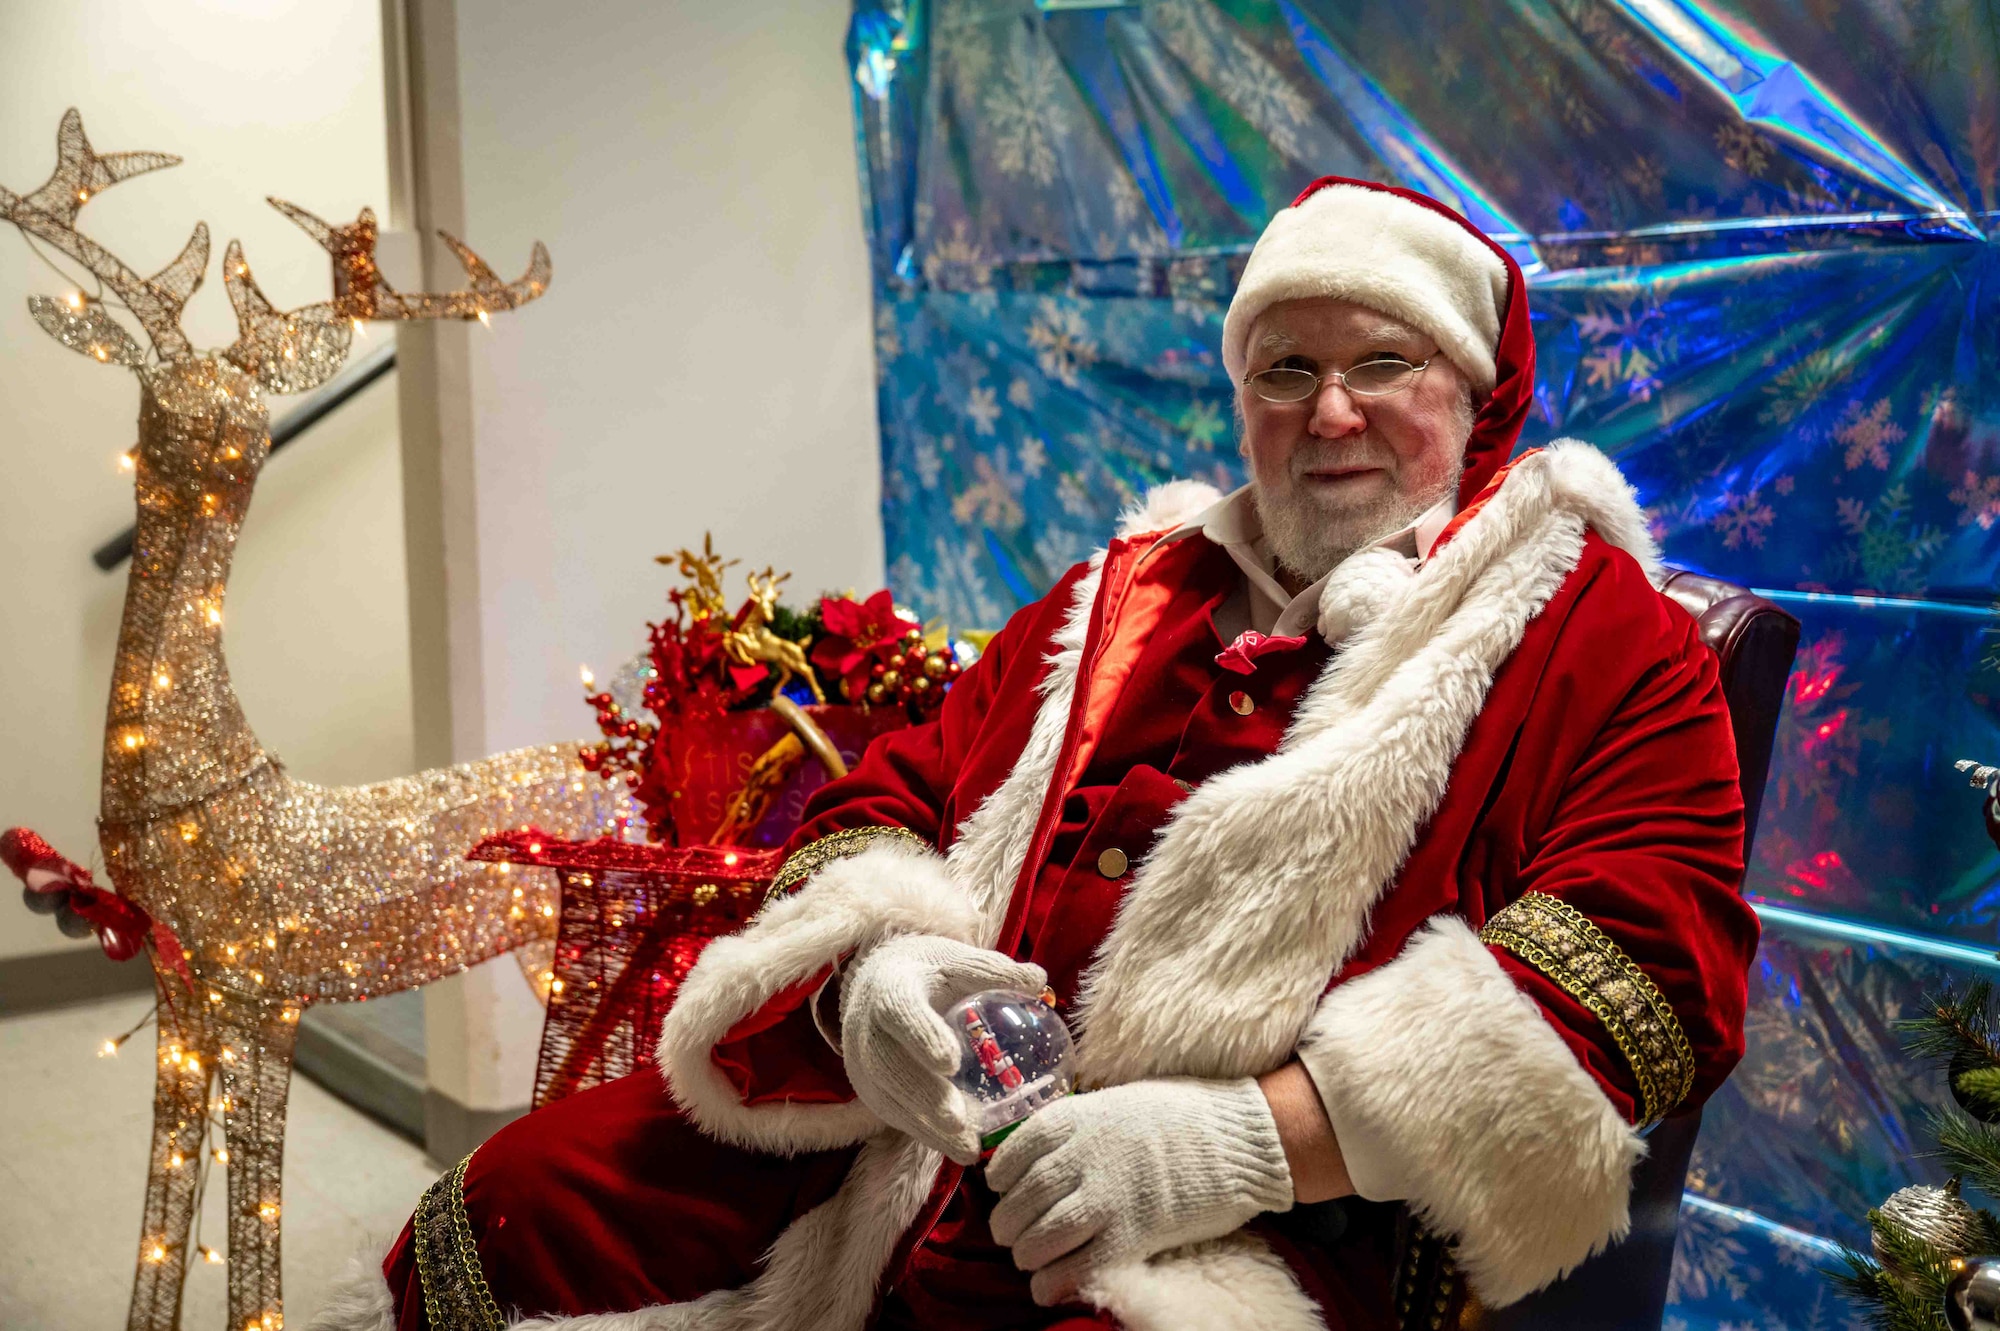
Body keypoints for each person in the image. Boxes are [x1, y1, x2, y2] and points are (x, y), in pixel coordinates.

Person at [319, 177, 1758, 1331]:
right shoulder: (1122, 594)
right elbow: (893, 789)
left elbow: (1652, 966)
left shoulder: (1591, 629)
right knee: (519, 1201)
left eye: (1384, 363)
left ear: (1475, 392)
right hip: (919, 1137)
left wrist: (1237, 1146)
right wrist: (873, 984)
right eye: (1285, 370)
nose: (1330, 412)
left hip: (1266, 1220)